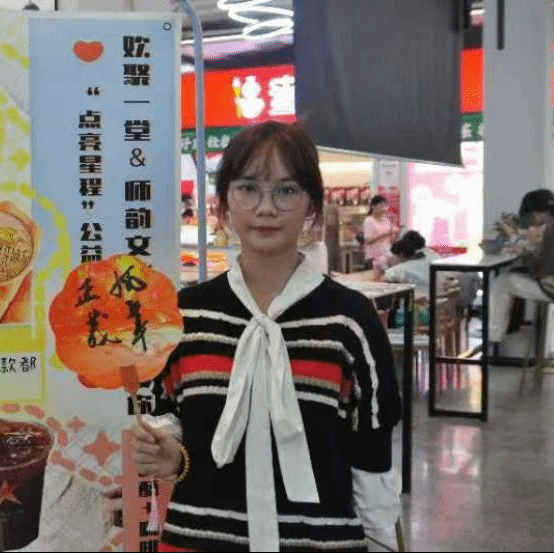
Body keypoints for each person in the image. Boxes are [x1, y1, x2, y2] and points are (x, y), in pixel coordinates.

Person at [132, 121, 401, 551]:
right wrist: (171, 457)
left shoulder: (350, 321)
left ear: (311, 204)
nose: (266, 208)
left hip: (318, 541)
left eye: (286, 190)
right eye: (248, 189)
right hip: (200, 540)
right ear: (224, 204)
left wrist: (380, 526)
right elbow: (170, 421)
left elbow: (371, 440)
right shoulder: (185, 315)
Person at [488, 189, 554, 342]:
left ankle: (493, 337)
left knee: (502, 282)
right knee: (513, 274)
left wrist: (521, 250)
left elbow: (540, 268)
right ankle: (500, 332)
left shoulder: (552, 229)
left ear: (536, 213)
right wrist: (526, 249)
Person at [362, 195, 398, 271]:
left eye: (385, 205)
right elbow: (368, 241)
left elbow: (390, 240)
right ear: (373, 206)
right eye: (381, 205)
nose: (383, 208)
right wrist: (385, 235)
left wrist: (394, 234)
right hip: (374, 257)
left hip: (386, 255)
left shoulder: (386, 220)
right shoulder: (369, 220)